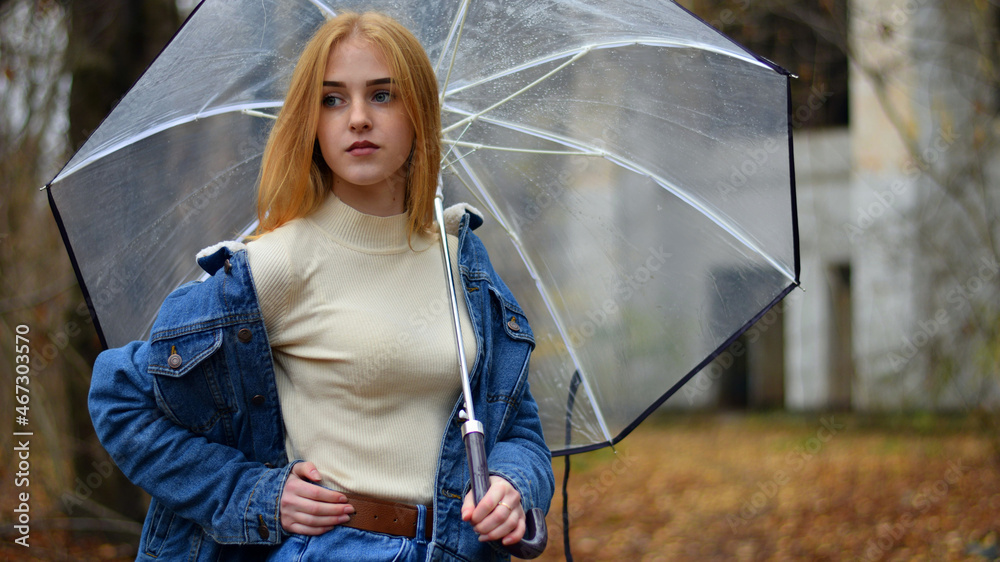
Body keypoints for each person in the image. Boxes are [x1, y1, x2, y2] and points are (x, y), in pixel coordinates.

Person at [88, 11, 553, 562]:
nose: (357, 118)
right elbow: (119, 397)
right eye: (333, 100)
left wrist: (512, 484)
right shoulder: (276, 265)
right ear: (311, 122)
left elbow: (520, 426)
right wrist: (248, 493)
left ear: (419, 113)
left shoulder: (463, 265)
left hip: (457, 549)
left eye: (383, 96)